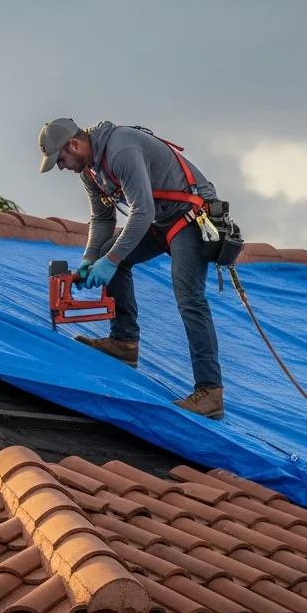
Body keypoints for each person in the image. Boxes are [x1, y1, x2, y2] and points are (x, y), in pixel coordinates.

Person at [38, 117, 228, 420]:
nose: (61, 166)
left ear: (73, 144)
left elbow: (142, 212)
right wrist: (90, 259)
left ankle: (210, 394)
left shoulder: (120, 150)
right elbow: (102, 219)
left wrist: (111, 262)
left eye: (60, 159)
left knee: (189, 298)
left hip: (190, 217)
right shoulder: (90, 171)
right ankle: (124, 342)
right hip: (162, 220)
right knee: (106, 250)